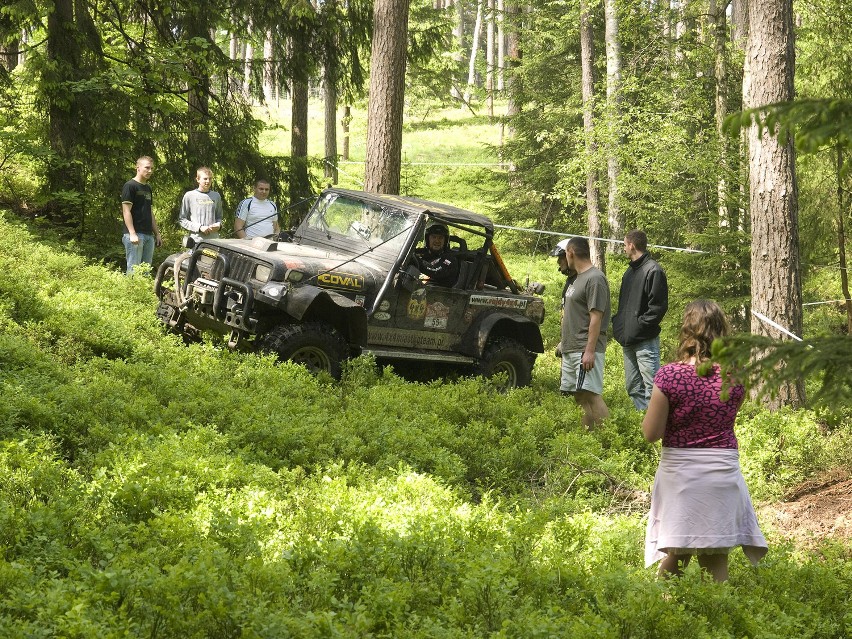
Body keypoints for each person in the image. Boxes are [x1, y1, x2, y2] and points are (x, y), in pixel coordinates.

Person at [642, 299, 767, 582]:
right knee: (716, 557)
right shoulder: (735, 377)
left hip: (682, 479)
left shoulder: (670, 376)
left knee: (678, 552)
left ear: (687, 330)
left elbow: (651, 433)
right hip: (722, 477)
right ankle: (718, 620)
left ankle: (662, 612)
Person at [557, 237, 611, 428]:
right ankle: (588, 435)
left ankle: (608, 436)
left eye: (565, 254)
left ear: (570, 252)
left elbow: (596, 318)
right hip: (572, 348)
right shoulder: (577, 279)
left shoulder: (595, 279)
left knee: (591, 394)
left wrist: (589, 351)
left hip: (584, 349)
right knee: (579, 395)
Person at [612, 229, 669, 410]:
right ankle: (643, 427)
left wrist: (638, 326)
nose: (623, 249)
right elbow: (624, 306)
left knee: (652, 389)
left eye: (624, 245)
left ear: (632, 245)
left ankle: (656, 429)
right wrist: (619, 323)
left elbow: (658, 308)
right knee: (633, 387)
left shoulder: (654, 270)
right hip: (628, 340)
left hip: (645, 341)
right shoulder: (629, 273)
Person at [121, 156, 162, 275]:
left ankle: (142, 294)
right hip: (134, 235)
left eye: (152, 168)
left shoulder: (148, 188)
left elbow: (149, 211)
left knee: (145, 272)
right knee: (133, 272)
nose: (150, 171)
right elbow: (126, 211)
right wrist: (132, 233)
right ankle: (130, 294)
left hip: (148, 235)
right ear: (138, 168)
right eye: (147, 168)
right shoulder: (130, 186)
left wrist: (157, 233)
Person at [179, 166, 223, 245]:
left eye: (210, 178)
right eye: (205, 179)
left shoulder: (216, 196)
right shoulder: (189, 195)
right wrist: (199, 228)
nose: (208, 181)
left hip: (214, 241)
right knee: (182, 258)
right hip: (196, 241)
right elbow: (182, 219)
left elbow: (219, 217)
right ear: (198, 179)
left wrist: (218, 225)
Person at [413, 222, 459, 287]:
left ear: (445, 241)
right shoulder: (421, 253)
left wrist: (417, 261)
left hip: (438, 294)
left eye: (440, 238)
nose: (437, 241)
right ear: (427, 239)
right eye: (434, 237)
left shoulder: (450, 259)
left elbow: (436, 271)